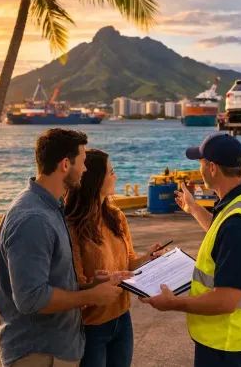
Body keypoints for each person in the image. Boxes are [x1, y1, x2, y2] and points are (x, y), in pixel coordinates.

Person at [140, 132, 241, 367]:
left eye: (201, 163)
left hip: (226, 342)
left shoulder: (238, 225)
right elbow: (222, 232)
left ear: (212, 168)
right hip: (239, 336)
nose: (200, 168)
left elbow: (225, 301)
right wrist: (194, 209)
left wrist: (173, 304)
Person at [0, 129, 131, 367]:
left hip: (59, 347)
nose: (86, 170)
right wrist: (90, 296)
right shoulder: (33, 218)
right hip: (38, 353)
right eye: (82, 162)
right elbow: (31, 299)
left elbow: (52, 281)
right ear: (65, 165)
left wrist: (90, 285)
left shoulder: (51, 207)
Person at [65, 149, 169, 367]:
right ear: (95, 180)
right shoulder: (72, 226)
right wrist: (96, 286)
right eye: (111, 173)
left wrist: (148, 257)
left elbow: (129, 263)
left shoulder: (116, 216)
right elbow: (75, 283)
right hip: (90, 328)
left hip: (122, 320)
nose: (116, 177)